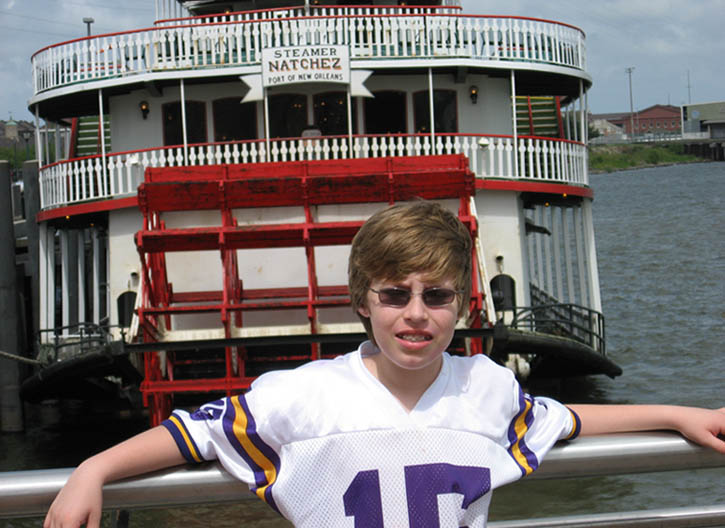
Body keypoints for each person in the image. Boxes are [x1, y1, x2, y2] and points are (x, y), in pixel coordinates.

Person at [44, 200, 725, 528]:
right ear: (361, 302)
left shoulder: (485, 387)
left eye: (437, 297)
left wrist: (678, 415)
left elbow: (563, 418)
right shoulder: (303, 396)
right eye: (394, 295)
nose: (416, 315)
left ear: (463, 303)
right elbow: (190, 432)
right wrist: (91, 471)